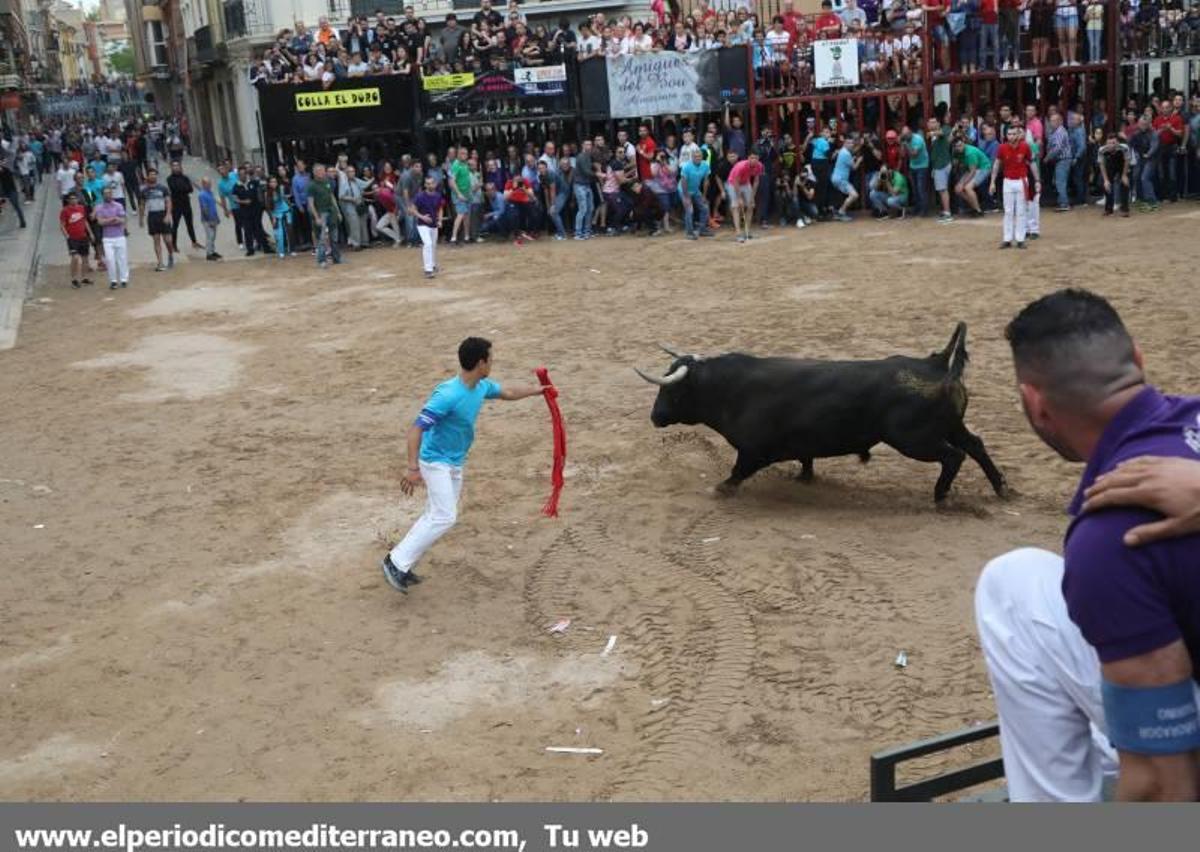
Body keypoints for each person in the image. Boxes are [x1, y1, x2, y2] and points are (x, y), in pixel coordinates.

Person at [976, 288, 1200, 802]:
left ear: (1036, 403)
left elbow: (1166, 786)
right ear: (1137, 359)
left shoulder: (1111, 537)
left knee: (1010, 582)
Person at [381, 337, 553, 593]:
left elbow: (507, 392)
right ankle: (395, 562)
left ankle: (401, 563)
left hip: (455, 461)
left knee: (435, 514)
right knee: (444, 516)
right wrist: (413, 468)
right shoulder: (448, 395)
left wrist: (537, 391)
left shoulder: (481, 386)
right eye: (490, 359)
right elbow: (416, 429)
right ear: (481, 363)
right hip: (435, 461)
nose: (492, 363)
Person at [989, 123, 1039, 249]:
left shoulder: (1025, 147)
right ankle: (1007, 239)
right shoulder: (1002, 147)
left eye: (1013, 134)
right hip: (1008, 181)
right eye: (1009, 134)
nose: (1011, 136)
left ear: (1018, 135)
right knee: (1008, 211)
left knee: (1021, 211)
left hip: (1022, 181)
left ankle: (1020, 239)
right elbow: (996, 164)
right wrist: (992, 181)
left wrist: (1037, 180)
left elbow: (1032, 163)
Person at [139, 168, 176, 271]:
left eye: (154, 174)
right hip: (152, 215)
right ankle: (160, 262)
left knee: (168, 240)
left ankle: (170, 254)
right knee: (156, 240)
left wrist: (168, 214)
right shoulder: (144, 190)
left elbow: (168, 201)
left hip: (162, 213)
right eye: (151, 174)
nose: (153, 176)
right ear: (147, 176)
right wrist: (141, 218)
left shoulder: (163, 188)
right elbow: (142, 204)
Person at [94, 185, 129, 290]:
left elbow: (122, 220)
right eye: (105, 193)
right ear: (102, 195)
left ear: (112, 194)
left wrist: (108, 220)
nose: (108, 195)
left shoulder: (118, 205)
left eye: (109, 193)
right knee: (110, 260)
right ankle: (113, 280)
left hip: (119, 236)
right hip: (107, 238)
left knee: (122, 258)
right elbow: (100, 222)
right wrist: (113, 219)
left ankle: (124, 279)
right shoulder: (99, 207)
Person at [307, 163, 343, 268]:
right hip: (321, 212)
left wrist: (338, 211)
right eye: (318, 171)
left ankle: (337, 258)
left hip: (331, 211)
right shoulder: (311, 185)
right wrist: (316, 217)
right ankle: (321, 260)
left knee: (334, 237)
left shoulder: (327, 182)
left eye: (322, 170)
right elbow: (310, 203)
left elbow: (332, 197)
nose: (321, 172)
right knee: (322, 238)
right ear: (314, 173)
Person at [410, 175, 444, 279]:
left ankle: (432, 265)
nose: (430, 185)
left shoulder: (438, 195)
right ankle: (428, 270)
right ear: (425, 185)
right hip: (422, 225)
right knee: (428, 244)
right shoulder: (420, 196)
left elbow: (440, 208)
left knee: (433, 245)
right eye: (428, 183)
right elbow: (412, 209)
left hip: (433, 224)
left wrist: (440, 220)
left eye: (432, 183)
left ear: (435, 184)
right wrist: (422, 217)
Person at [726, 149, 762, 242]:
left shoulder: (759, 166)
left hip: (746, 183)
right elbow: (736, 182)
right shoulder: (741, 166)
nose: (754, 160)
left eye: (756, 158)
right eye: (752, 158)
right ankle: (738, 233)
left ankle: (747, 231)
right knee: (735, 207)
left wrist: (752, 197)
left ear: (758, 159)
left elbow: (756, 181)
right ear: (748, 158)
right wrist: (739, 198)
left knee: (751, 206)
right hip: (733, 183)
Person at [59, 191, 94, 288]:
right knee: (75, 258)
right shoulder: (65, 211)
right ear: (68, 200)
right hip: (72, 238)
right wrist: (67, 236)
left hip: (83, 236)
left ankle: (84, 278)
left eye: (75, 198)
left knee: (85, 257)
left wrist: (90, 233)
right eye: (71, 199)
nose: (74, 200)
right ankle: (74, 279)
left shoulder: (81, 208)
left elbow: (85, 221)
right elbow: (62, 225)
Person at [678, 147, 714, 240]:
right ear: (692, 157)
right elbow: (683, 182)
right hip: (684, 189)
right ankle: (689, 233)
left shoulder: (705, 165)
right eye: (695, 156)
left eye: (699, 156)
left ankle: (702, 229)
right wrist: (686, 197)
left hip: (695, 189)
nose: (697, 158)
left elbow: (706, 181)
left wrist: (704, 196)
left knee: (705, 208)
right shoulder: (686, 166)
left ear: (702, 157)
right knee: (689, 210)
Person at [166, 161, 202, 250]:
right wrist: (184, 188)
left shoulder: (185, 177)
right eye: (174, 166)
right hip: (176, 205)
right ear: (171, 168)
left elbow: (190, 189)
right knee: (175, 225)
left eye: (177, 166)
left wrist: (182, 188)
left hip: (186, 204)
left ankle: (194, 242)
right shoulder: (169, 179)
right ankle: (174, 244)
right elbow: (174, 188)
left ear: (180, 167)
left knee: (190, 224)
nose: (176, 167)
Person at [1097, 131, 1131, 217]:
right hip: (1110, 164)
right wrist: (1106, 180)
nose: (1111, 145)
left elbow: (1127, 161)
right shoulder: (1102, 150)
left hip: (1122, 164)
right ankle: (1108, 209)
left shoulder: (1124, 148)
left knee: (1125, 184)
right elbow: (1102, 164)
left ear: (1118, 143)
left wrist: (1124, 175)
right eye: (1109, 143)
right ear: (1106, 143)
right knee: (1107, 185)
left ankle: (1125, 209)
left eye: (1114, 143)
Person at [197, 176, 222, 260]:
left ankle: (212, 251)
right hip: (207, 220)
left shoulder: (210, 192)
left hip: (213, 217)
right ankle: (209, 253)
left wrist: (216, 218)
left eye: (210, 183)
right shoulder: (202, 195)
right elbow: (204, 209)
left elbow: (213, 205)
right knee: (210, 236)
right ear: (203, 184)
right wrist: (209, 220)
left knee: (213, 236)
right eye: (208, 184)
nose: (210, 185)